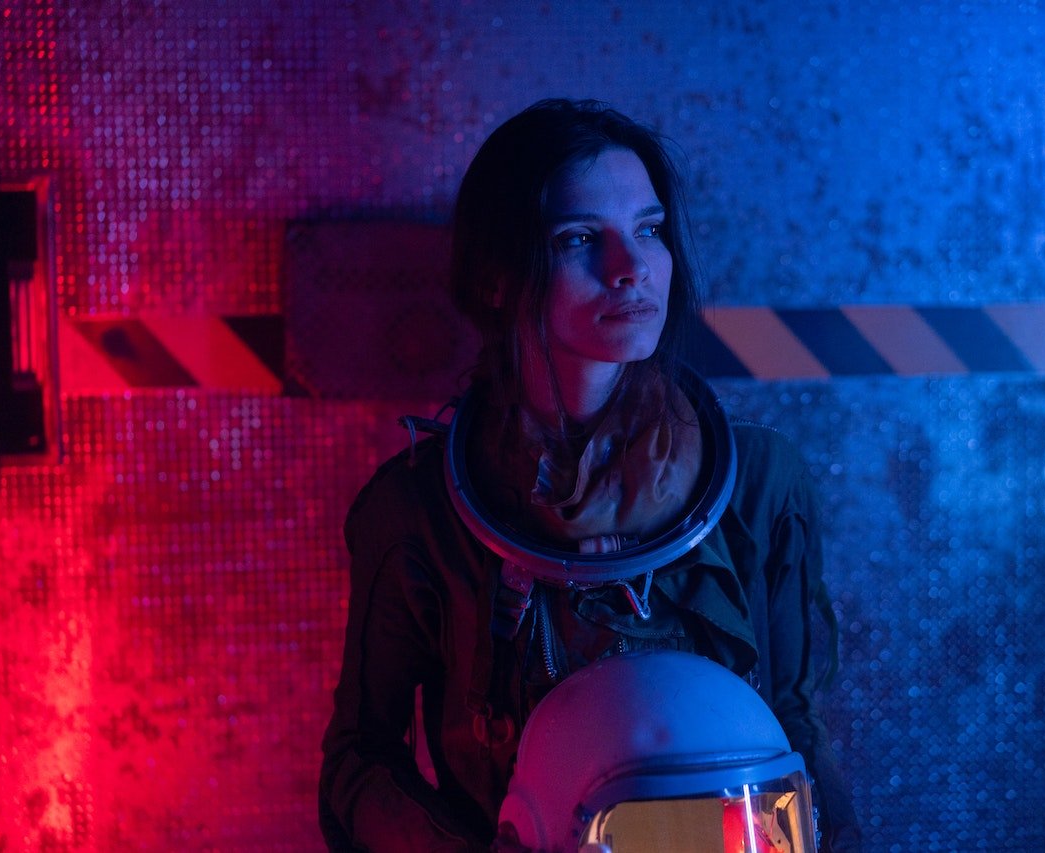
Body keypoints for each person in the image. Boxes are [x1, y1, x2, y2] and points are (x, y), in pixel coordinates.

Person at [319, 98, 861, 852]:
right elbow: (359, 761)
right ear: (498, 278)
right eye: (579, 239)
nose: (630, 269)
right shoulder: (418, 510)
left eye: (649, 230)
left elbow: (796, 725)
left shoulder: (759, 484)